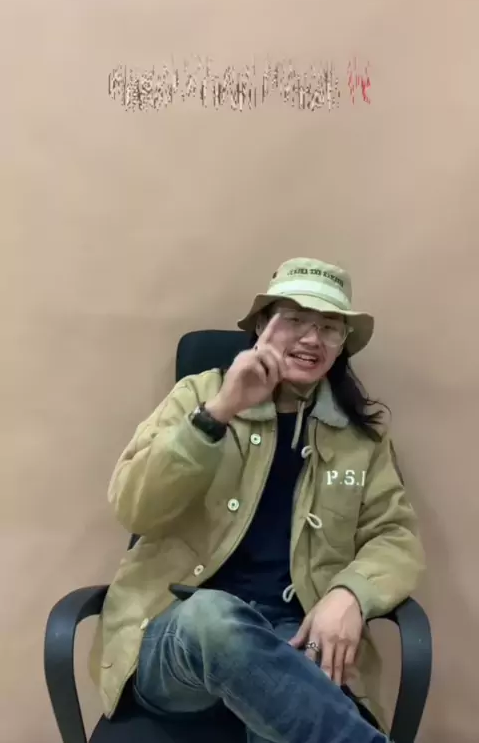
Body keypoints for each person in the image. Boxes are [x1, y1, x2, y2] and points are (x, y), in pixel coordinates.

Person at [89, 257, 425, 743]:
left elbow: (394, 536)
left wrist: (350, 593)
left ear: (342, 345)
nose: (312, 338)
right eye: (295, 319)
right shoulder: (198, 396)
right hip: (179, 634)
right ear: (262, 325)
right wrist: (219, 412)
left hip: (293, 633)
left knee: (288, 690)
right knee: (214, 618)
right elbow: (134, 506)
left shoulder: (360, 437)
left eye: (329, 327)